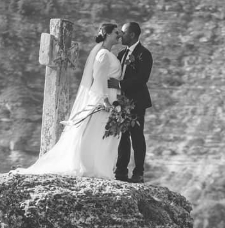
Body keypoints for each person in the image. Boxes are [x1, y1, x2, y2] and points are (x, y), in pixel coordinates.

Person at [14, 23, 121, 179]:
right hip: (103, 98)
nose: (119, 35)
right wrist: (105, 100)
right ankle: (88, 166)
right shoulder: (103, 54)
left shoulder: (109, 53)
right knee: (95, 132)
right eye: (116, 32)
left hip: (111, 95)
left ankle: (98, 167)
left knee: (100, 132)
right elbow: (99, 78)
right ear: (108, 34)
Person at [108, 22, 153, 183]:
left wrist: (120, 84)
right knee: (123, 137)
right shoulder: (121, 54)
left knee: (137, 137)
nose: (121, 35)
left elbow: (142, 79)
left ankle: (138, 173)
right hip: (121, 102)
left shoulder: (144, 54)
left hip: (137, 102)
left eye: (124, 32)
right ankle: (121, 172)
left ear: (132, 35)